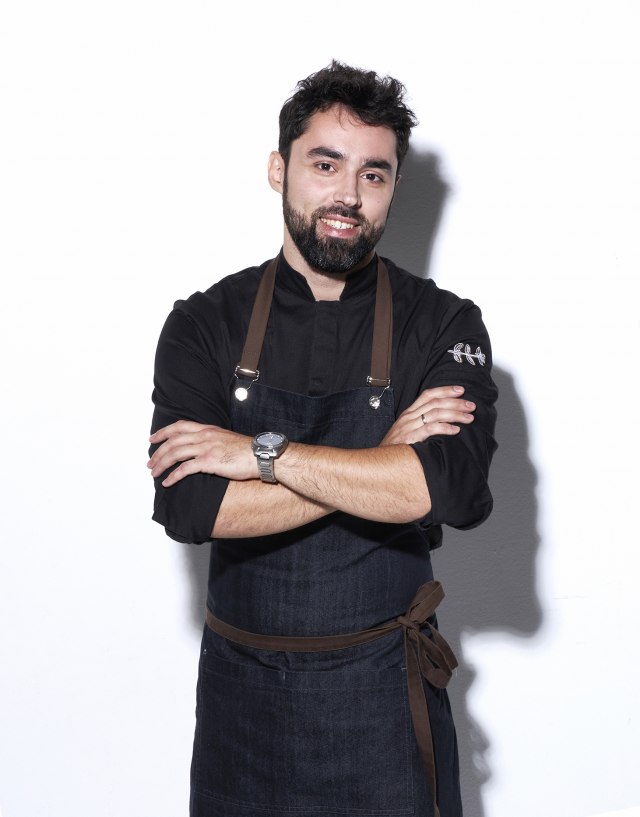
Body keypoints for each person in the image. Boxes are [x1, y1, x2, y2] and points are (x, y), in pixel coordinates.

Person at [148, 60, 498, 817]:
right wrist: (381, 463)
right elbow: (195, 509)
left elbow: (449, 491)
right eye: (325, 164)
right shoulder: (203, 323)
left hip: (383, 697)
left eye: (374, 174)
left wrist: (259, 456)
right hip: (242, 701)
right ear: (279, 170)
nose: (348, 194)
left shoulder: (442, 322)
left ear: (393, 187)